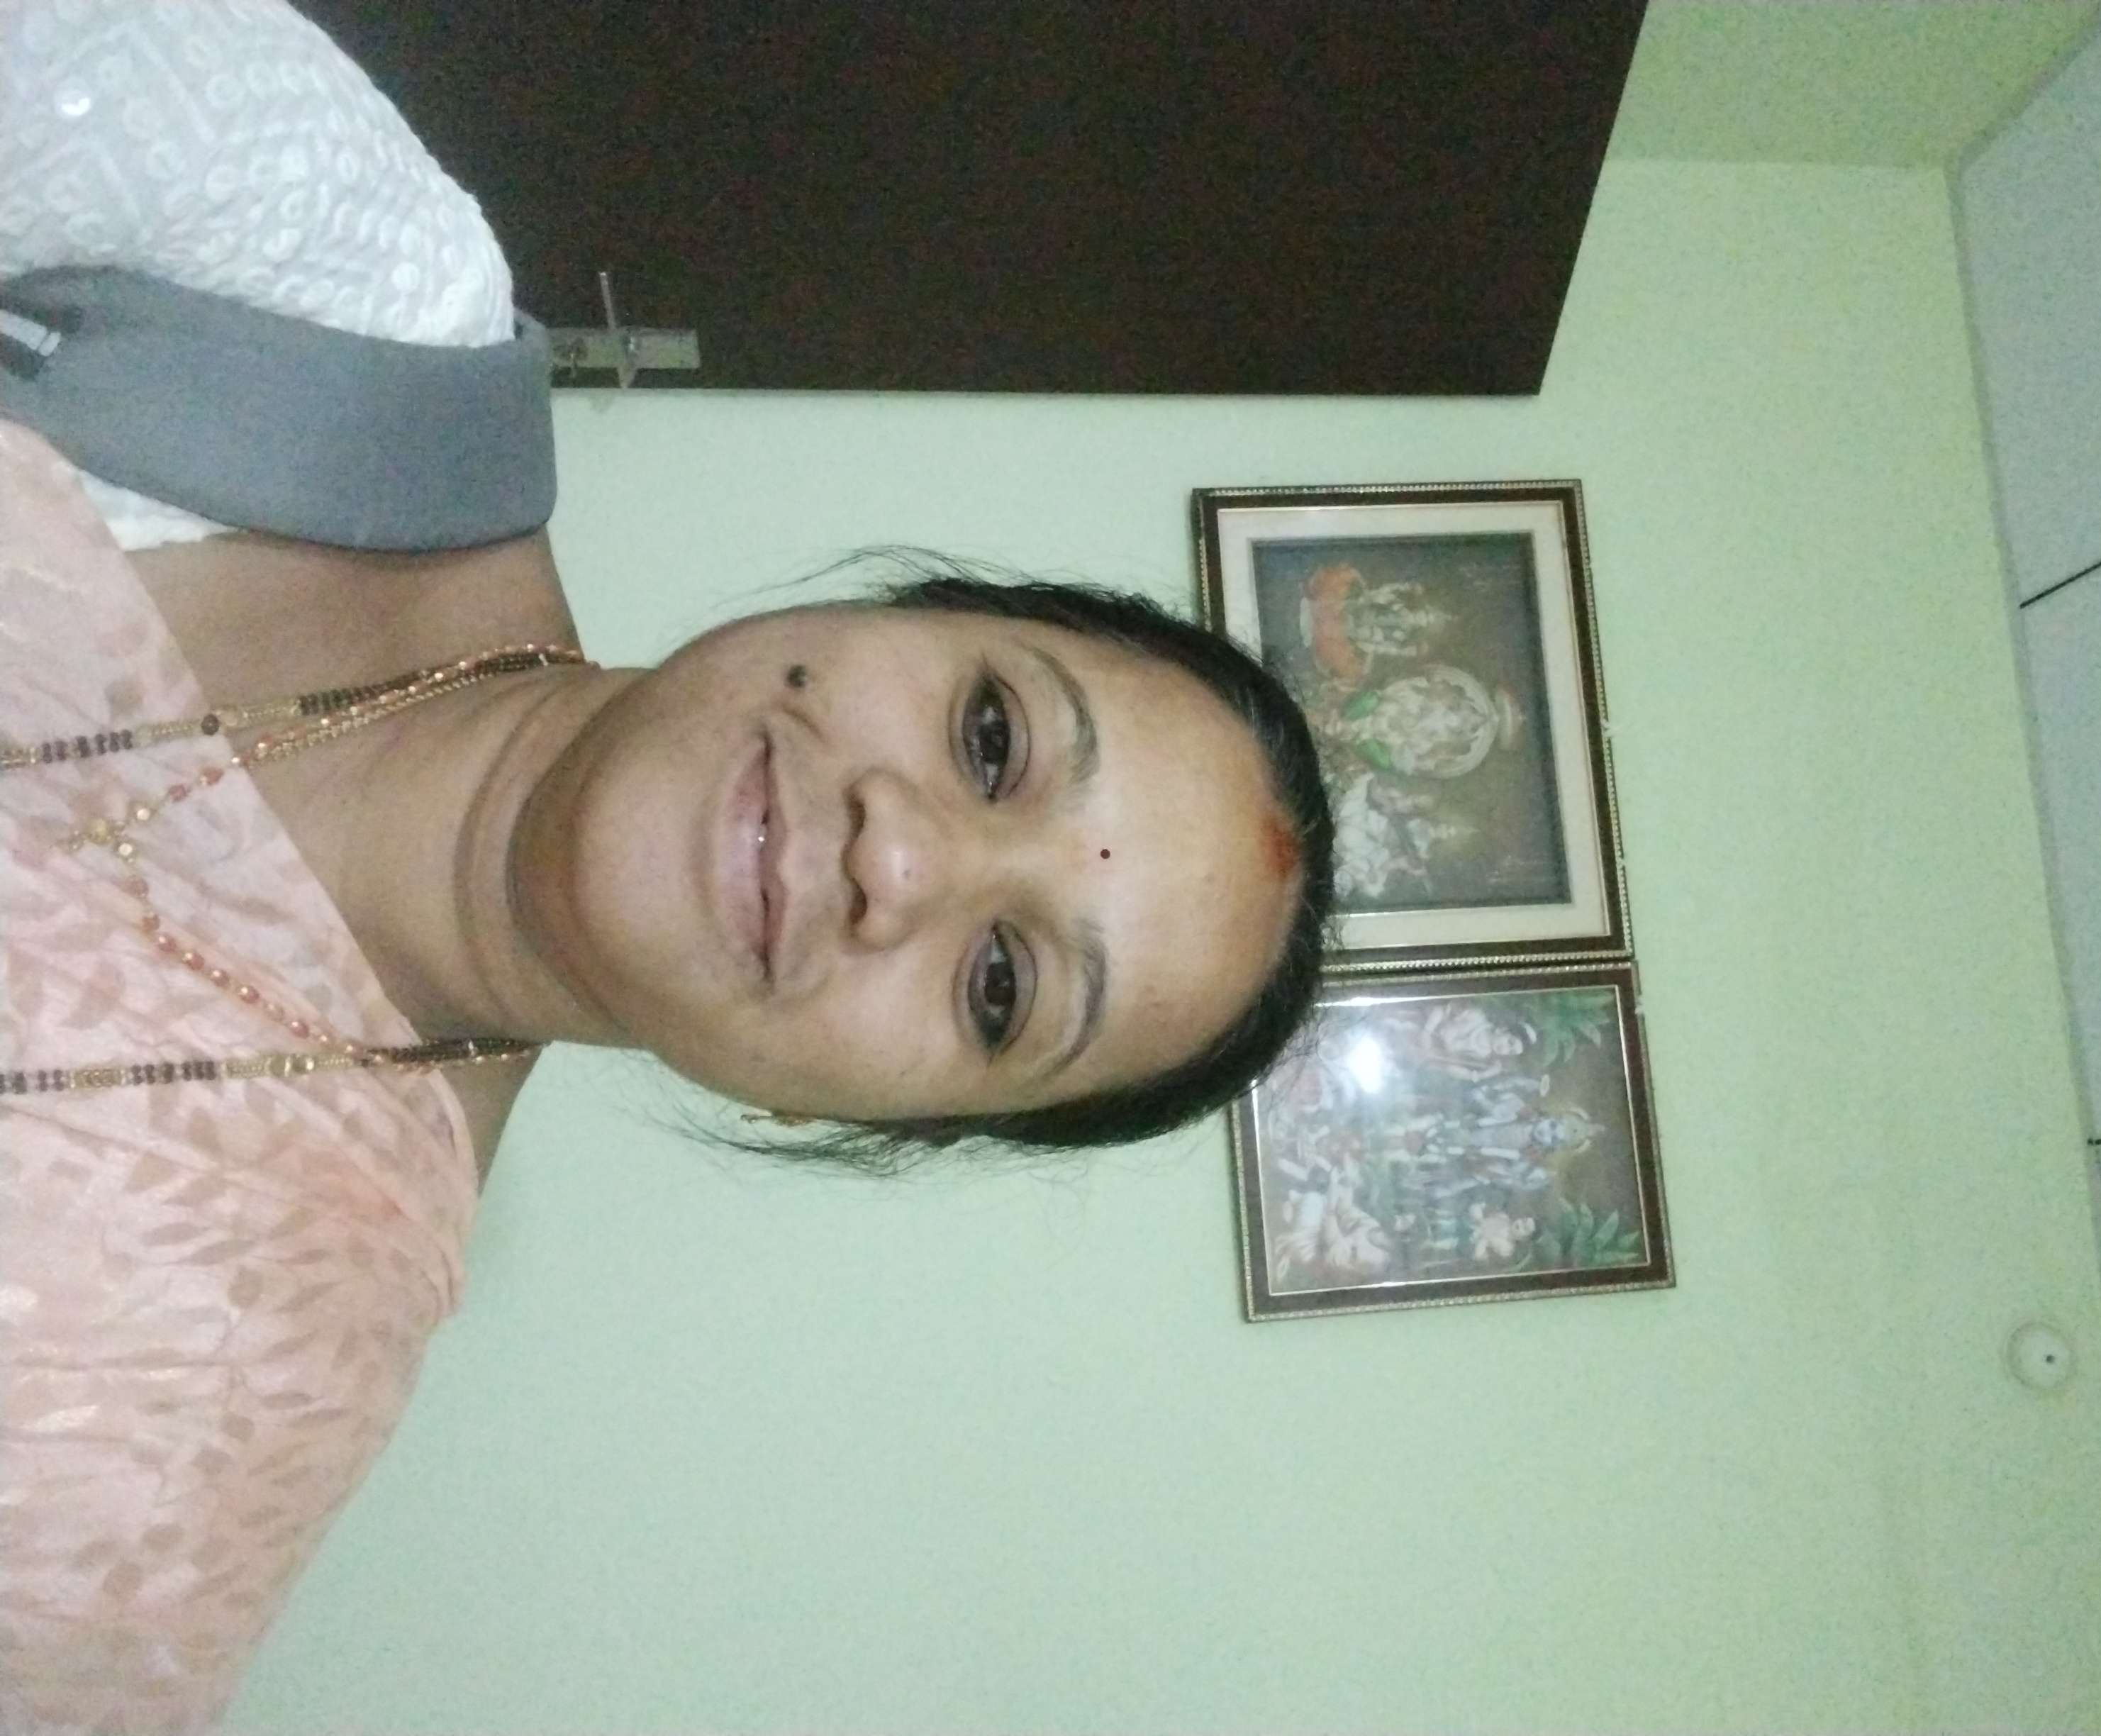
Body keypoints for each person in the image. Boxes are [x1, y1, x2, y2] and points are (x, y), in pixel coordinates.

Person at [0, 3, 1336, 1727]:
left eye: (1003, 985)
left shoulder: (211, 1400)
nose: (902, 853)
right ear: (896, 609)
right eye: (993, 733)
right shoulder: (333, 286)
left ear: (854, 1119)